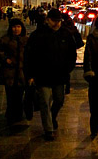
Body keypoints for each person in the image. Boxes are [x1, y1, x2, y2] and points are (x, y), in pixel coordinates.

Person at [24, 8, 77, 140]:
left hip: (60, 75)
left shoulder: (65, 34)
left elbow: (72, 54)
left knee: (59, 100)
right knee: (45, 102)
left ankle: (52, 117)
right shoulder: (38, 35)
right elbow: (29, 56)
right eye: (54, 21)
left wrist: (68, 69)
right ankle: (48, 130)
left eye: (59, 21)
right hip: (42, 75)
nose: (57, 23)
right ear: (47, 20)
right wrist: (30, 75)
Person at [0, 18, 29, 125]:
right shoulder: (5, 39)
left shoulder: (26, 39)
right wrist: (5, 59)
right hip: (9, 71)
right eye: (14, 27)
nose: (16, 29)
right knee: (10, 94)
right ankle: (11, 113)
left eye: (18, 27)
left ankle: (18, 113)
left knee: (20, 93)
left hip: (21, 71)